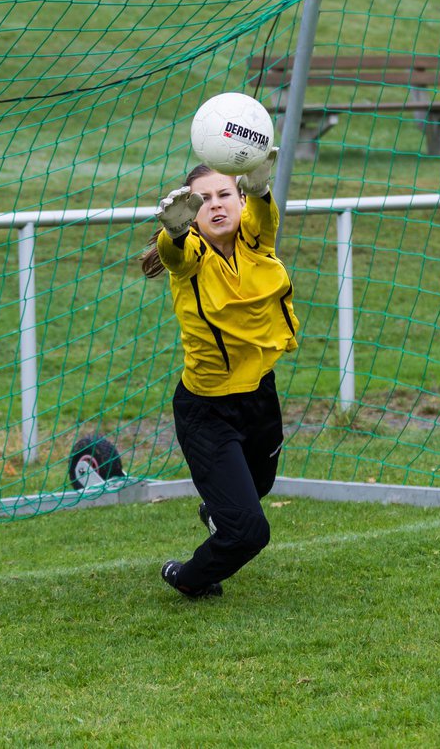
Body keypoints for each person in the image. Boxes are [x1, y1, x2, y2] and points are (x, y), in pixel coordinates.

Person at [139, 150, 299, 599]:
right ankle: (187, 576)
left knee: (260, 485)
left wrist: (262, 189)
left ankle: (217, 512)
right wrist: (172, 230)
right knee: (249, 532)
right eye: (203, 199)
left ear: (241, 200)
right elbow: (175, 255)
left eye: (225, 194)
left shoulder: (255, 241)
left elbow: (266, 221)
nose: (215, 204)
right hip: (206, 410)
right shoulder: (191, 256)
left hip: (259, 396)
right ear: (192, 214)